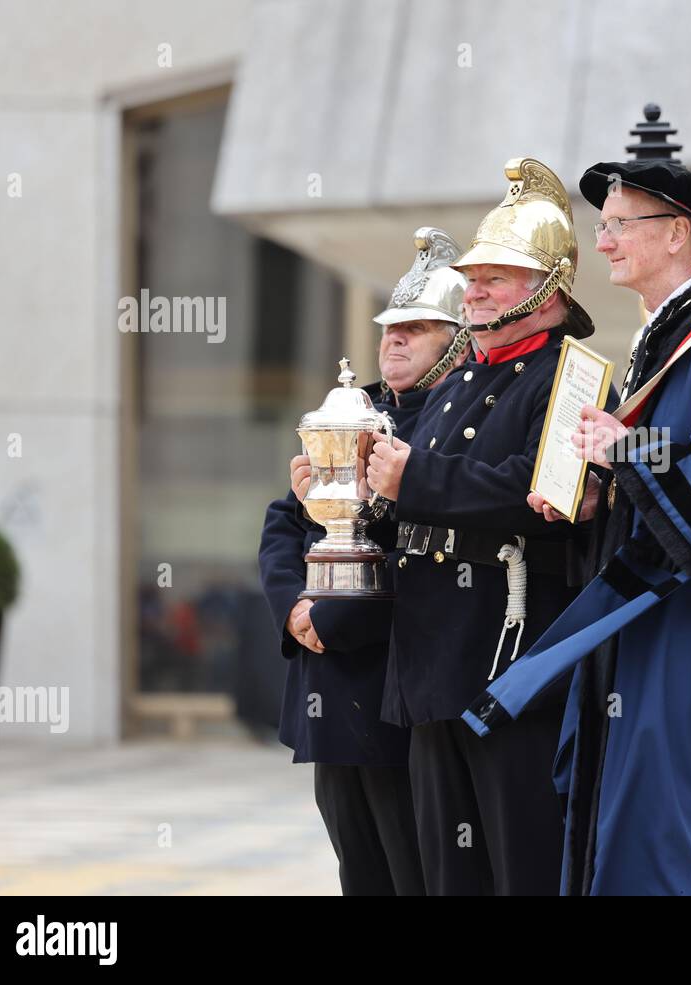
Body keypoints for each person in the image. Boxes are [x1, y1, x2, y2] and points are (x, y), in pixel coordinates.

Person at [460, 159, 691, 895]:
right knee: (629, 809)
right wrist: (601, 488)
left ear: (680, 234)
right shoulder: (669, 335)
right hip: (654, 613)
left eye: (621, 225)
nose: (607, 242)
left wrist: (627, 455)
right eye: (605, 227)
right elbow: (674, 462)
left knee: (660, 818)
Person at [365, 159, 597, 895]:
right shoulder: (461, 378)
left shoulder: (573, 375)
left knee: (520, 869)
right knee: (448, 878)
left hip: (513, 669)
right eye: (473, 276)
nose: (475, 289)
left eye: (497, 276)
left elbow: (550, 495)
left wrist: (418, 481)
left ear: (549, 286)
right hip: (435, 663)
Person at [257, 228, 469, 895]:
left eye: (418, 328)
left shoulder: (460, 417)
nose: (395, 339)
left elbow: (429, 552)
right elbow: (286, 522)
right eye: (389, 328)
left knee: (417, 872)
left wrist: (335, 617)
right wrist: (296, 608)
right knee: (360, 871)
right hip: (330, 685)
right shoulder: (354, 409)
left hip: (398, 684)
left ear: (459, 339)